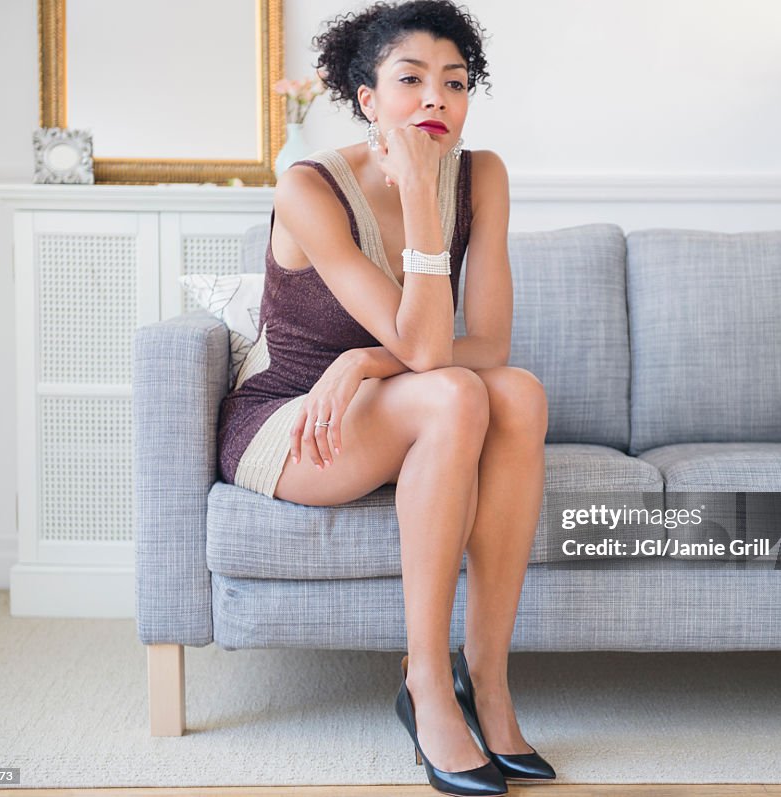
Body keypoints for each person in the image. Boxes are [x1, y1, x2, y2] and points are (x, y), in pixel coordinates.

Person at [216, 1, 554, 793]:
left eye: (455, 82)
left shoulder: (485, 175)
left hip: (374, 391)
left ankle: (491, 681)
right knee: (454, 398)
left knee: (519, 394)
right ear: (368, 99)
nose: (436, 100)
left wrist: (366, 361)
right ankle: (426, 685)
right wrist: (419, 198)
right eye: (411, 81)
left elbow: (488, 344)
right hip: (295, 415)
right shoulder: (307, 188)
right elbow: (436, 355)